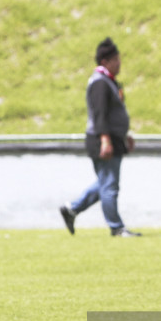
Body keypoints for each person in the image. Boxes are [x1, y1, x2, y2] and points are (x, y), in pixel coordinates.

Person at [60, 37, 141, 237]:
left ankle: (72, 209)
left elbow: (115, 113)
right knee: (109, 185)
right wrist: (105, 140)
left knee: (105, 183)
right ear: (105, 62)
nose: (119, 63)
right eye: (116, 60)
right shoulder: (100, 84)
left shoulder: (109, 82)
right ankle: (116, 227)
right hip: (103, 140)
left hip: (114, 139)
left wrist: (126, 134)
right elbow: (100, 115)